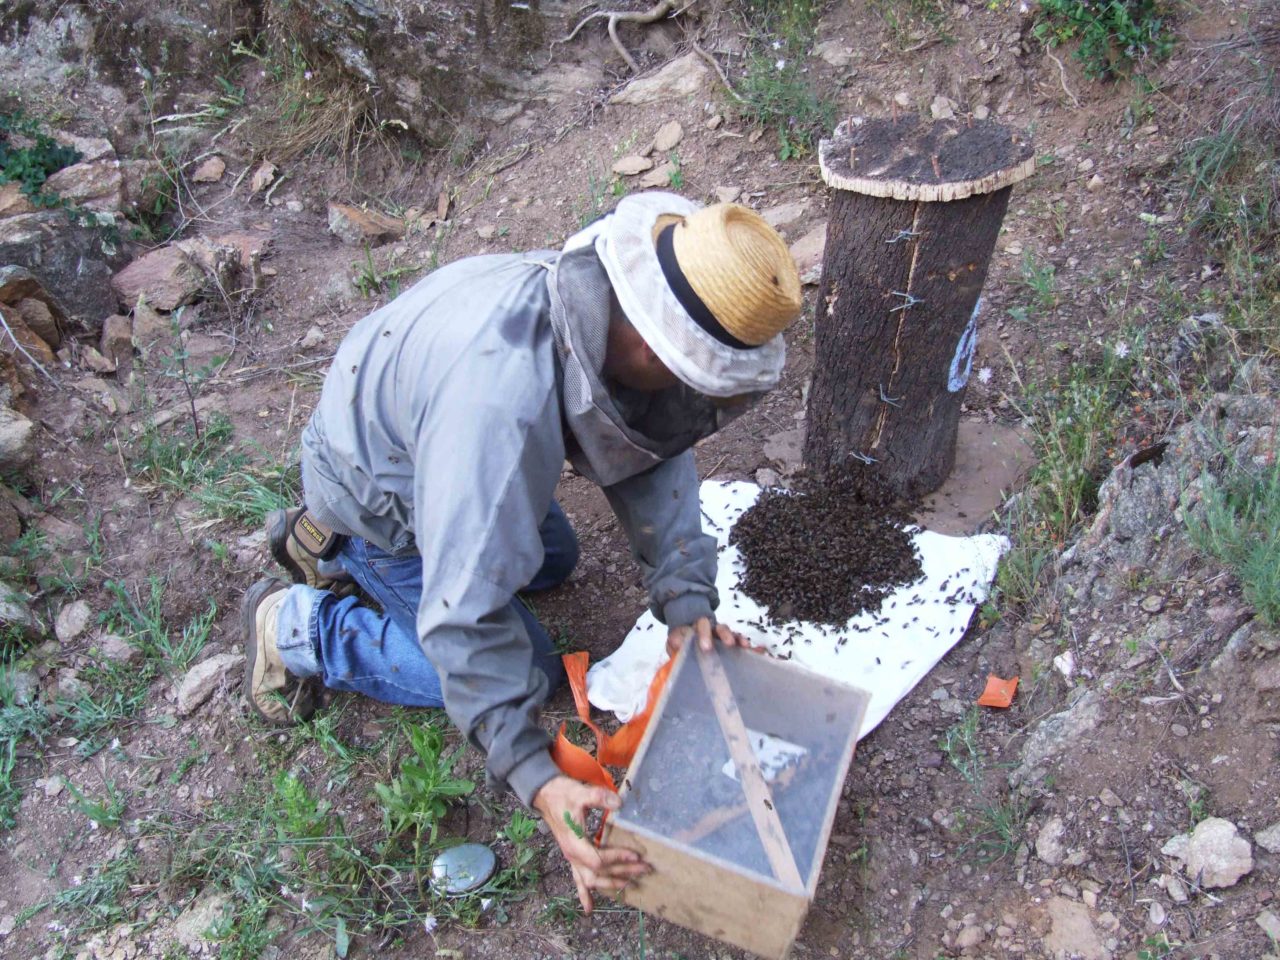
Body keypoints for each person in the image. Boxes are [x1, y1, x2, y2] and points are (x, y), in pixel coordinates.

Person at [240, 191, 803, 911]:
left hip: (414, 441)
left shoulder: (596, 302)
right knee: (522, 671)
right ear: (652, 342)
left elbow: (653, 445)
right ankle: (301, 625)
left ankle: (323, 544)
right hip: (380, 495)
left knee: (554, 559)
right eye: (693, 376)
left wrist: (686, 603)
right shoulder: (499, 414)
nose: (693, 399)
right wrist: (538, 778)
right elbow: (463, 619)